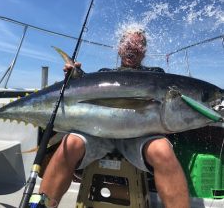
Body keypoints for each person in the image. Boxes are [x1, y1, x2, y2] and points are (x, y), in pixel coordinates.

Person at [35, 28, 190, 208]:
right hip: (100, 132)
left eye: (138, 44)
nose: (132, 47)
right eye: (128, 43)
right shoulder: (104, 73)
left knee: (162, 150)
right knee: (70, 144)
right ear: (119, 48)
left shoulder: (156, 74)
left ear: (144, 51)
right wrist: (73, 80)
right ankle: (43, 206)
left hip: (140, 135)